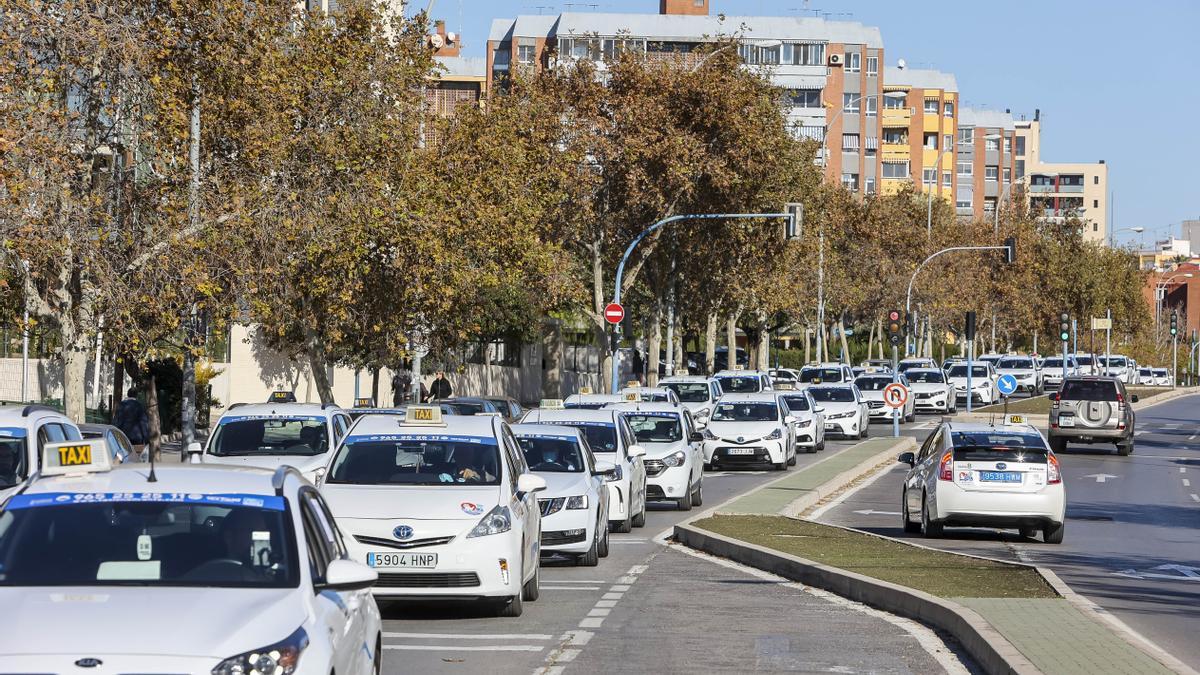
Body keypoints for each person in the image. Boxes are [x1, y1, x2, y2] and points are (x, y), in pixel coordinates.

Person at [113, 388, 150, 459]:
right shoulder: (140, 406)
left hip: (123, 437)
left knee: (124, 457)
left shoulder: (121, 405)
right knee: (137, 458)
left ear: (127, 394)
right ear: (136, 395)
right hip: (137, 438)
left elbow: (116, 421)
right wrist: (147, 439)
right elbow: (143, 423)